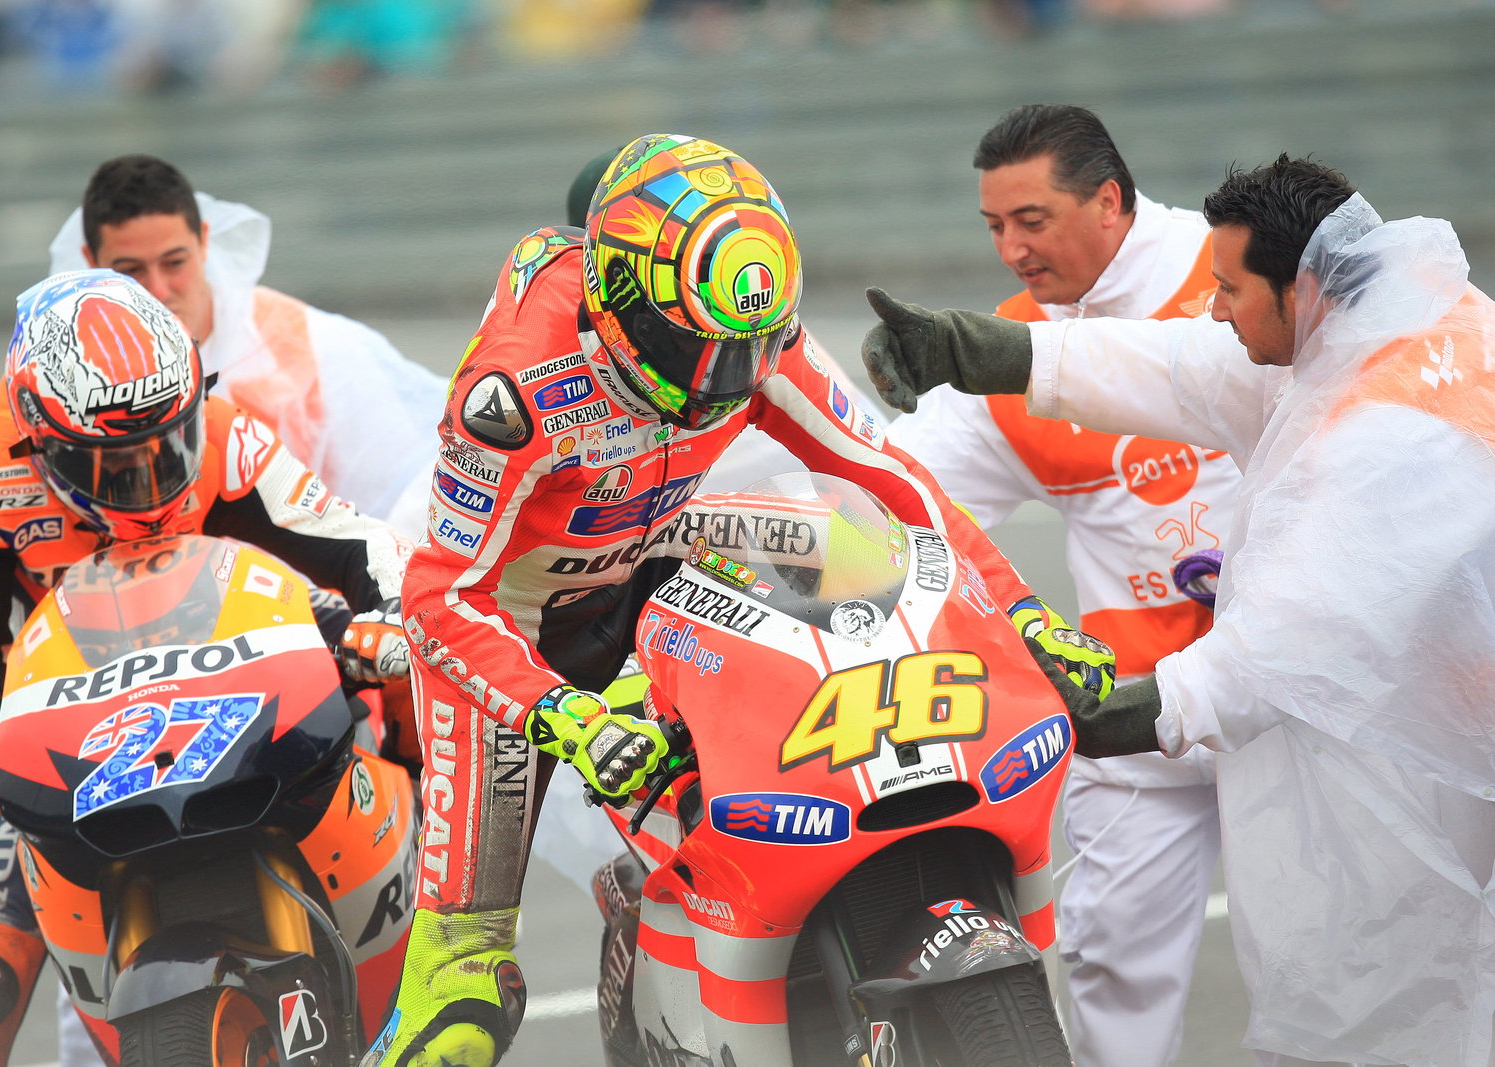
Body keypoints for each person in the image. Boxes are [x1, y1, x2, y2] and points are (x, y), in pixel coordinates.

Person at [366, 132, 1115, 1066]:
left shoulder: (746, 337)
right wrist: (567, 717)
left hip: (663, 551)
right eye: (695, 347)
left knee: (849, 555)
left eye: (750, 348)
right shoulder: (514, 391)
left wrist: (1027, 615)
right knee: (461, 1007)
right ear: (618, 299)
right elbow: (438, 597)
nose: (722, 380)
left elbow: (891, 477)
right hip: (515, 623)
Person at [861, 154, 1495, 1067]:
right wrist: (995, 351)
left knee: (1400, 991)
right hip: (1423, 725)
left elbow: (1290, 641)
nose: (1216, 307)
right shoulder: (1374, 331)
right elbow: (1189, 366)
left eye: (1232, 288)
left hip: (1439, 750)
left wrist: (1123, 713)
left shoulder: (1385, 435)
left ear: (1303, 285)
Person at [0, 270, 414, 1067]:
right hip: (83, 731)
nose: (156, 476)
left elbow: (355, 540)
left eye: (171, 441)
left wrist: (382, 620)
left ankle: (466, 903)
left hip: (256, 685)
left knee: (422, 682)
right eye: (120, 464)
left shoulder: (230, 434)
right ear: (41, 440)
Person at [884, 104, 1231, 1067]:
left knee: (1330, 958)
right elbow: (898, 491)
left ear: (1109, 201)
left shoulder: (1240, 276)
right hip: (1130, 718)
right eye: (994, 227)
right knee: (1109, 962)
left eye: (1031, 220)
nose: (1012, 250)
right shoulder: (1009, 344)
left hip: (1288, 705)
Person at [47, 152, 450, 534]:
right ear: (90, 260)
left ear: (204, 241)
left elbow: (413, 483)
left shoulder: (308, 347)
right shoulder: (61, 371)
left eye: (174, 263)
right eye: (131, 271)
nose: (159, 289)